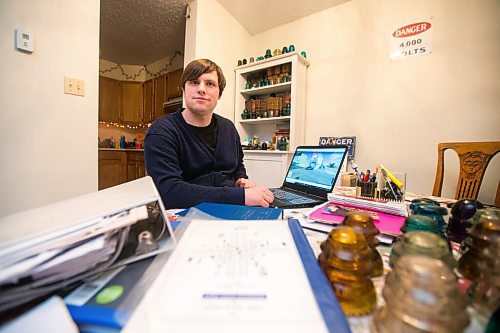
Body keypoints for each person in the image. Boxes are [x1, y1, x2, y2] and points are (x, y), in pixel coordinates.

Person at [144, 58, 274, 209]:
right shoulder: (161, 132)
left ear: (219, 93)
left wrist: (241, 179)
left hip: (233, 208)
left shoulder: (228, 128)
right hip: (185, 214)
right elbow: (169, 193)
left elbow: (237, 165)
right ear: (184, 89)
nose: (201, 89)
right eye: (194, 82)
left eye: (210, 84)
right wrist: (241, 196)